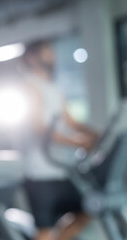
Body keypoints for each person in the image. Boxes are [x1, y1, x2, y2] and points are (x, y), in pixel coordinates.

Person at [21, 40, 99, 240]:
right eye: (47, 51)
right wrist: (77, 142)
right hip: (39, 174)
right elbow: (40, 128)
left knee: (88, 209)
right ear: (32, 58)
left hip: (60, 170)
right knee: (44, 232)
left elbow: (70, 121)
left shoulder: (54, 87)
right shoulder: (30, 85)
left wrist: (96, 134)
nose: (52, 55)